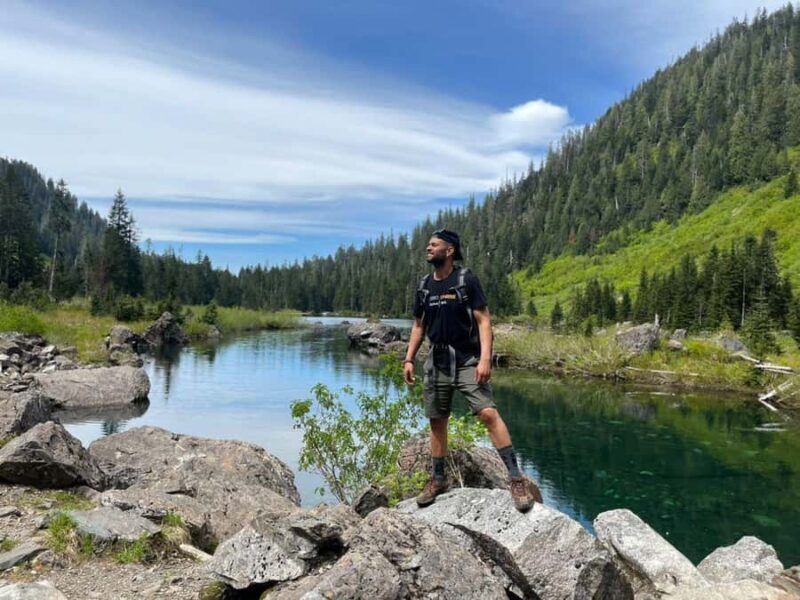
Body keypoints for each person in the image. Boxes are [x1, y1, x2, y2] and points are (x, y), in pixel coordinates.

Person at [403, 228, 543, 511]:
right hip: (437, 363)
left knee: (488, 413)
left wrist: (485, 358)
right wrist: (408, 359)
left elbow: (484, 321)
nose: (428, 249)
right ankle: (438, 478)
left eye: (434, 245)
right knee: (437, 420)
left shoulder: (466, 280)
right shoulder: (424, 286)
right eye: (428, 245)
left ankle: (516, 479)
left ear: (450, 250)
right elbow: (419, 326)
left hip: (467, 360)